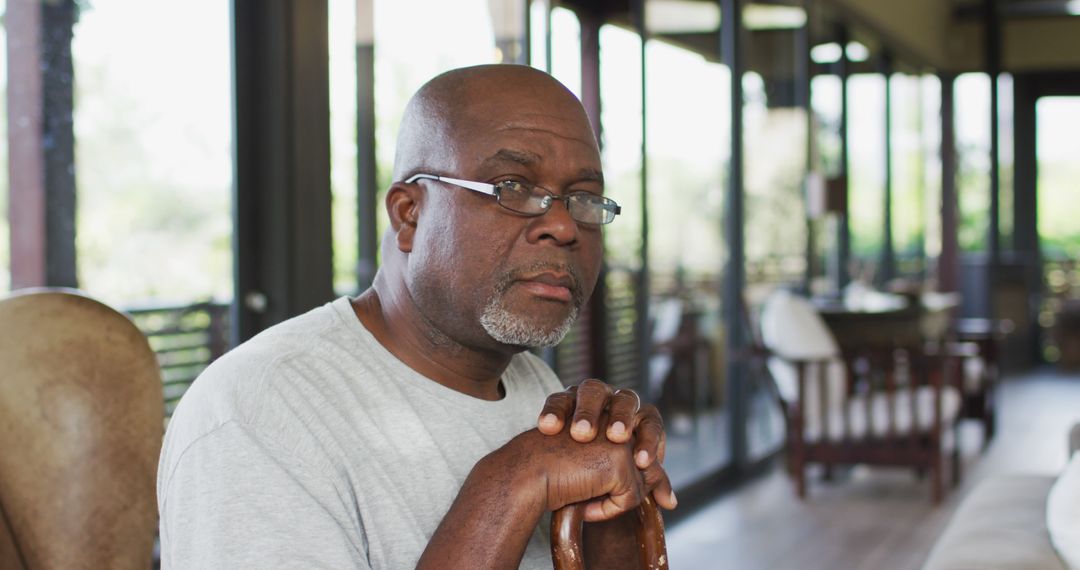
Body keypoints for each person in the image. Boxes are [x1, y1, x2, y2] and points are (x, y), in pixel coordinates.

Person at [157, 64, 675, 569]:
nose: (563, 226)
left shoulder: (533, 385)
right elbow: (513, 486)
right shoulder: (259, 412)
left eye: (583, 199)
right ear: (410, 215)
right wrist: (508, 486)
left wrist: (613, 506)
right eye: (512, 187)